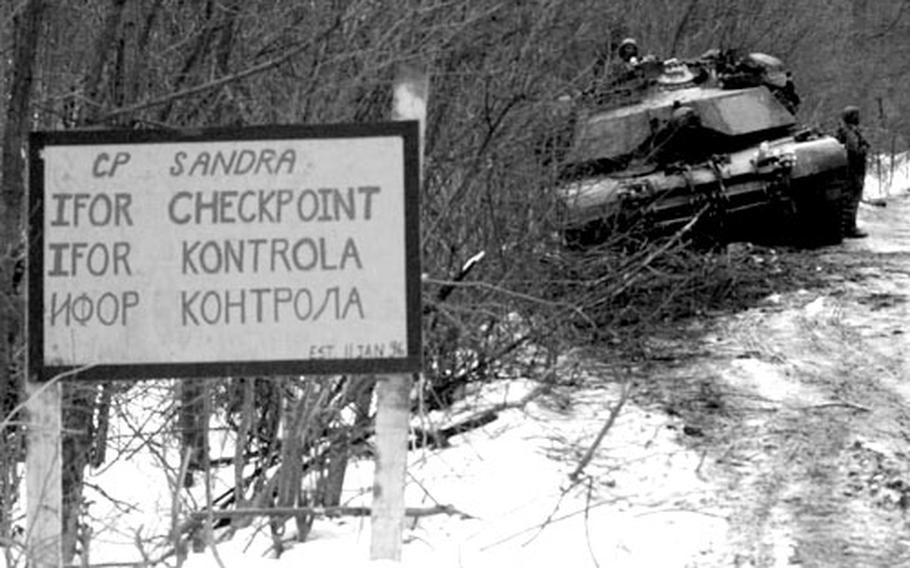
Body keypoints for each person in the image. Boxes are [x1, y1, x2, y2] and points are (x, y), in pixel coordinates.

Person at [835, 106, 870, 238]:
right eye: (856, 115)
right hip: (854, 169)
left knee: (849, 198)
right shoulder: (849, 132)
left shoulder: (846, 130)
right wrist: (864, 148)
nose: (859, 118)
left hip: (851, 169)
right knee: (851, 198)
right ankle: (849, 227)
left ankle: (846, 226)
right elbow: (854, 150)